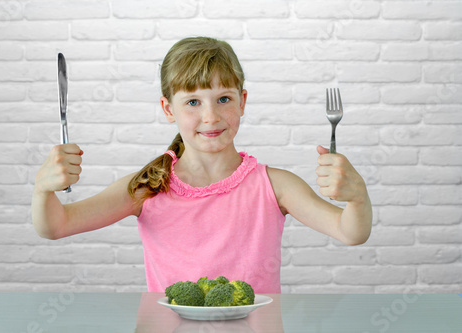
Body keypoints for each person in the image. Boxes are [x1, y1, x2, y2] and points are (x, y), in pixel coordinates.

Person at [32, 37, 372, 293]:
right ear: (168, 109)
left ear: (243, 102)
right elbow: (56, 225)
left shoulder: (275, 185)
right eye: (193, 101)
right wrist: (43, 188)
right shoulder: (147, 186)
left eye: (223, 98)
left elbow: (350, 231)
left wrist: (357, 197)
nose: (210, 116)